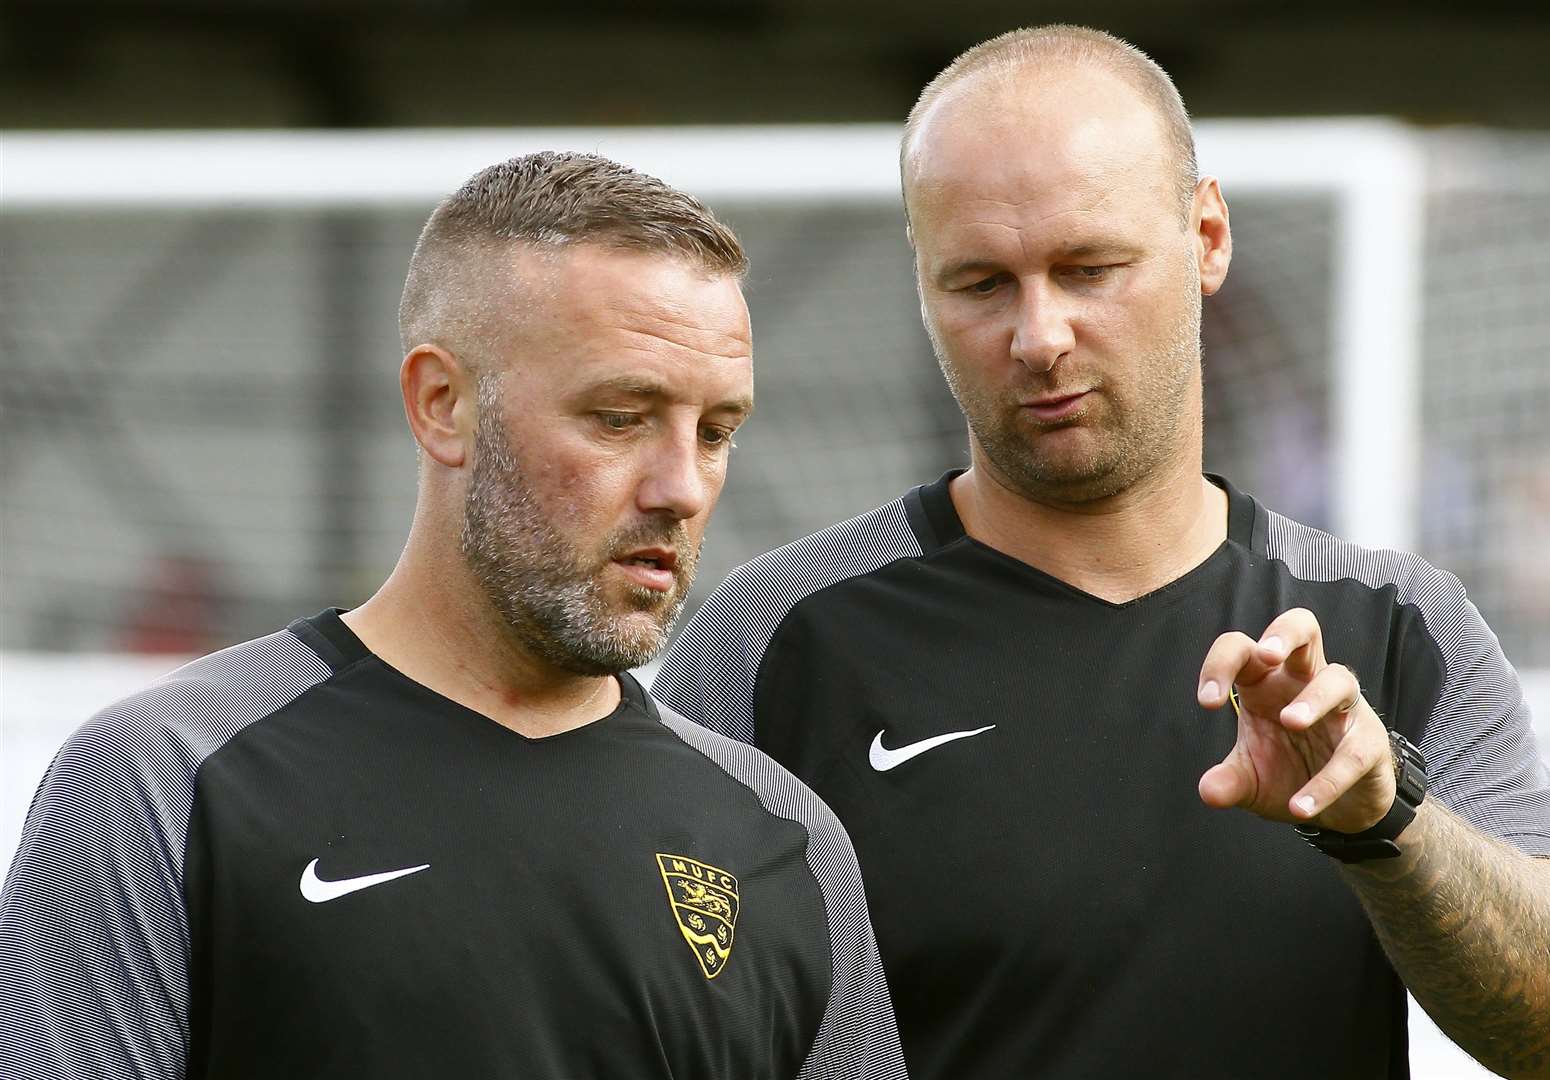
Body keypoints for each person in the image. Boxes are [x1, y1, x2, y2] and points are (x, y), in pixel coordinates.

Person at [654, 26, 1550, 1080]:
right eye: (979, 285)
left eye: (1087, 267)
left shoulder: (1391, 623)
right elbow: (632, 1008)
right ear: (922, 287)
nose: (1038, 335)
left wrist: (1384, 824)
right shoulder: (773, 635)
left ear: (1205, 238)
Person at [0, 152, 907, 1079]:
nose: (682, 487)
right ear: (443, 405)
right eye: (621, 416)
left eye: (716, 433)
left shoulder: (783, 836)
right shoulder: (165, 779)